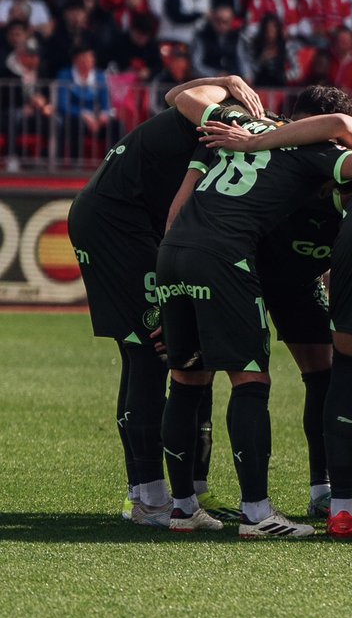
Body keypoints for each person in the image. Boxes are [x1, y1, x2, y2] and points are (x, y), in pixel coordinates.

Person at [158, 84, 352, 537]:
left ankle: (183, 507)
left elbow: (178, 98)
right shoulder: (312, 150)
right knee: (250, 381)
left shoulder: (243, 122)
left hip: (175, 250)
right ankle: (257, 515)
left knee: (186, 378)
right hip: (227, 256)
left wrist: (226, 81)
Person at [67, 74, 263, 525]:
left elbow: (174, 93)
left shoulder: (208, 111)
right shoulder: (221, 121)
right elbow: (179, 208)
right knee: (156, 350)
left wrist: (227, 79)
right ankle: (154, 501)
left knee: (146, 353)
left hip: (113, 217)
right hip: (118, 223)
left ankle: (156, 491)